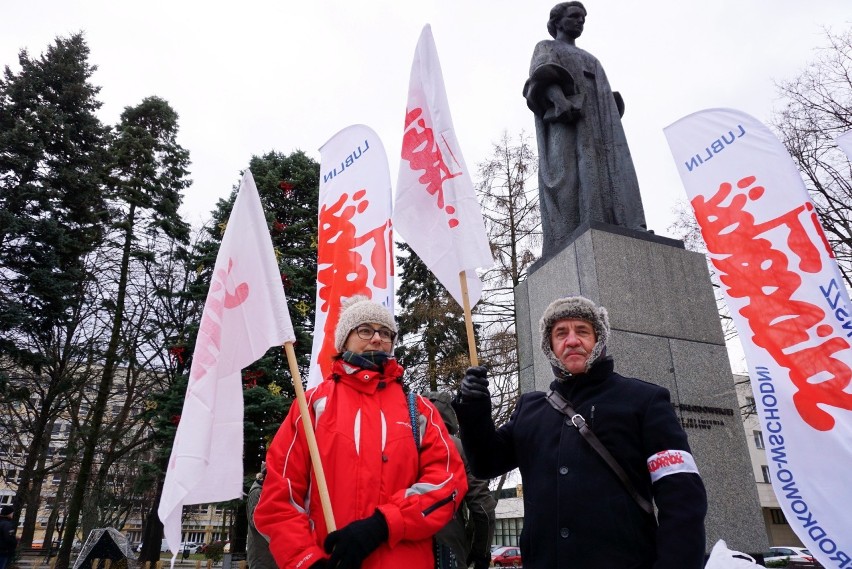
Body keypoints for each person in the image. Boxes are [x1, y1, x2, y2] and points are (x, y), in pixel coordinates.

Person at [453, 296, 707, 568]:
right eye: (561, 333)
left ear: (599, 338)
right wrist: (473, 409)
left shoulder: (644, 400)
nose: (572, 340)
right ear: (549, 346)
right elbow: (485, 463)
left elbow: (682, 498)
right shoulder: (530, 408)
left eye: (582, 331)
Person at [255, 295, 468, 569]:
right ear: (344, 340)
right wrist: (305, 560)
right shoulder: (310, 407)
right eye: (365, 330)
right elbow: (278, 497)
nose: (377, 339)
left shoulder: (420, 410)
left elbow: (447, 483)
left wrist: (385, 523)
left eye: (386, 333)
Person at [523, 2, 647, 259]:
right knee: (566, 178)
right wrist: (559, 99)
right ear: (558, 21)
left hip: (597, 128)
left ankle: (615, 220)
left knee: (605, 173)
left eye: (583, 17)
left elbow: (603, 95)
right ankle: (568, 234)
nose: (580, 21)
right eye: (574, 16)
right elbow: (541, 78)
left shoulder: (592, 59)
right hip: (566, 122)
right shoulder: (546, 47)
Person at [426, 392, 495, 569]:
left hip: (401, 549)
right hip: (448, 552)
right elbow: (483, 509)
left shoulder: (398, 444)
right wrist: (480, 552)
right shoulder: (461, 448)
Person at [246, 463, 276, 569]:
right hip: (261, 556)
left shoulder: (268, 491)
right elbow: (255, 521)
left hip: (270, 554)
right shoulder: (257, 492)